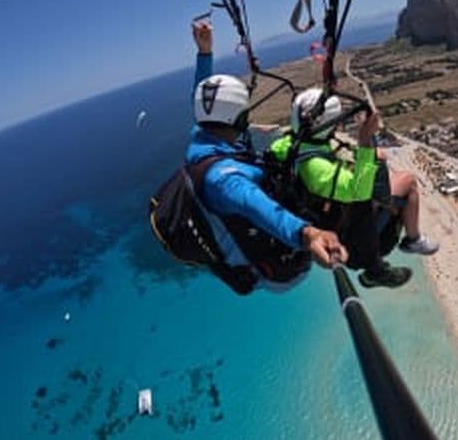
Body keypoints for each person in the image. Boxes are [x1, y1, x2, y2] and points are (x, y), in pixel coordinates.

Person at [184, 21, 347, 291]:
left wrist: (204, 53)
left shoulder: (202, 135)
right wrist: (310, 235)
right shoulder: (226, 181)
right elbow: (259, 207)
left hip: (257, 248)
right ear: (236, 117)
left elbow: (201, 100)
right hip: (278, 272)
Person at [268, 87, 438, 289]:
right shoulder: (315, 168)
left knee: (389, 173)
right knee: (408, 181)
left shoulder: (289, 146)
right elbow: (359, 192)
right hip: (349, 234)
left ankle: (378, 266)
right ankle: (412, 240)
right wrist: (365, 140)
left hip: (331, 216)